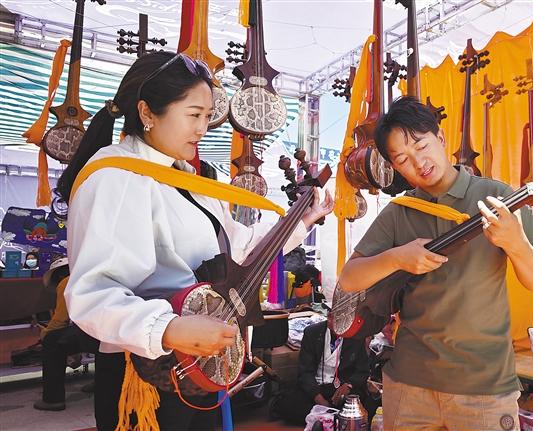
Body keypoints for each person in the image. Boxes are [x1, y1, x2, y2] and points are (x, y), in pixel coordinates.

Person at [56, 51, 333, 430]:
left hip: (203, 364)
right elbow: (91, 294)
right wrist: (168, 328)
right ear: (147, 112)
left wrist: (301, 222)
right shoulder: (114, 176)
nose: (203, 128)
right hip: (145, 371)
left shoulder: (193, 179)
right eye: (193, 115)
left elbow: (239, 250)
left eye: (207, 116)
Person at [337, 96, 533, 431]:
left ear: (441, 138)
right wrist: (397, 257)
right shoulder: (399, 212)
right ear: (395, 168)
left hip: (484, 386)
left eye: (422, 146)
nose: (418, 162)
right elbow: (350, 279)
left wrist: (515, 242)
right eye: (403, 159)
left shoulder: (496, 195)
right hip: (409, 384)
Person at [272, 320, 373, 426]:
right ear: (328, 318)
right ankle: (329, 419)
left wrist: (348, 385)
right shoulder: (312, 332)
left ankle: (324, 419)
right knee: (289, 405)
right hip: (316, 387)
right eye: (332, 317)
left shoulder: (356, 335)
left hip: (340, 390)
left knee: (363, 406)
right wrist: (318, 398)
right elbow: (305, 371)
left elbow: (363, 371)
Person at [33, 257, 99, 412]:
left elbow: (60, 320)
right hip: (114, 333)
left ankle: (52, 399)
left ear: (58, 275)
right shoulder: (93, 276)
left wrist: (45, 334)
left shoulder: (66, 282)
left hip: (96, 333)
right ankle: (101, 382)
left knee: (52, 340)